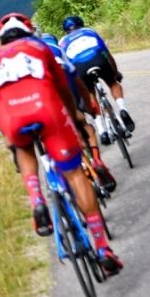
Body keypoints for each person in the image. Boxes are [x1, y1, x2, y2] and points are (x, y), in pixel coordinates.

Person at [0, 12, 122, 276]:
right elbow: (64, 88)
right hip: (47, 111)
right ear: (28, 32)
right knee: (74, 175)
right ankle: (103, 248)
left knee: (22, 148)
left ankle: (37, 198)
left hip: (12, 117)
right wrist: (75, 119)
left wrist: (8, 139)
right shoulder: (40, 47)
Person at [40, 33, 116, 192]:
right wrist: (89, 107)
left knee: (60, 132)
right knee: (82, 123)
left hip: (44, 94)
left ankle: (83, 166)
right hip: (66, 81)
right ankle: (96, 160)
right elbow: (77, 79)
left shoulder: (33, 53)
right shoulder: (58, 49)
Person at [59, 16, 135, 145]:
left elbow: (67, 67)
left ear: (66, 30)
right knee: (112, 84)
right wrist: (115, 72)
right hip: (98, 59)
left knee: (90, 95)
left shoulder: (62, 41)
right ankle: (123, 109)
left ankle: (102, 131)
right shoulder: (89, 31)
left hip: (80, 67)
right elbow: (106, 53)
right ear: (81, 24)